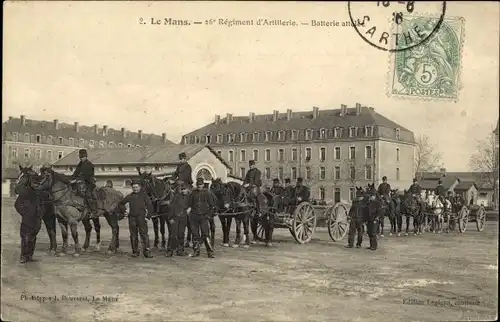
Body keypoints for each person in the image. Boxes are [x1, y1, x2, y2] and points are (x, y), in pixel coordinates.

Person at [118, 181, 154, 258]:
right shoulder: (130, 196)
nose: (135, 189)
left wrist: (148, 217)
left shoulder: (144, 196)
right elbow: (121, 203)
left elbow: (150, 206)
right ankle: (135, 251)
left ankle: (147, 252)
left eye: (136, 187)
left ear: (140, 187)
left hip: (142, 218)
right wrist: (125, 211)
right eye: (134, 187)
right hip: (132, 218)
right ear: (132, 188)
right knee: (133, 235)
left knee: (144, 235)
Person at [187, 177, 216, 258]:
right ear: (196, 185)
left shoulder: (207, 193)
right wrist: (189, 209)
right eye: (198, 185)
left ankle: (210, 252)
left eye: (201, 184)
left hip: (203, 217)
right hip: (194, 217)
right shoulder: (193, 193)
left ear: (203, 184)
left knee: (206, 235)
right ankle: (196, 251)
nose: (199, 186)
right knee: (195, 235)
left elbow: (212, 206)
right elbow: (189, 204)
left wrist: (208, 215)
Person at [69, 149, 98, 215]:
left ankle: (93, 211)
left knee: (88, 194)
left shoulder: (89, 164)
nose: (81, 158)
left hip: (89, 183)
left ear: (85, 156)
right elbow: (75, 173)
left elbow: (85, 175)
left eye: (82, 157)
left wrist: (75, 180)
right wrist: (70, 179)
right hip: (80, 182)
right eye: (80, 157)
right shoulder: (79, 164)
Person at [165, 182, 190, 257]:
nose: (183, 191)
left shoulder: (190, 198)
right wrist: (170, 218)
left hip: (183, 218)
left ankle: (180, 250)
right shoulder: (176, 197)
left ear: (188, 189)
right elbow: (171, 208)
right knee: (173, 235)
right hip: (175, 218)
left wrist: (190, 208)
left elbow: (193, 205)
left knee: (181, 234)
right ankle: (170, 251)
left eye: (184, 189)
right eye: (182, 189)